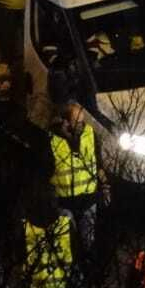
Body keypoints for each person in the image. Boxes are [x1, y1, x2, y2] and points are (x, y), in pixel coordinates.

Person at [48, 100, 99, 254]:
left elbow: (99, 163)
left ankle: (88, 265)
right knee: (67, 245)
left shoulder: (90, 134)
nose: (81, 126)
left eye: (82, 122)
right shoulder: (51, 141)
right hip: (65, 204)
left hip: (89, 201)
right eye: (77, 122)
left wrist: (104, 186)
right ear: (64, 122)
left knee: (88, 243)